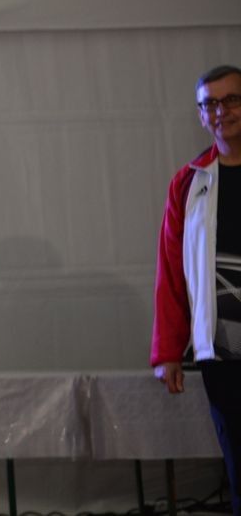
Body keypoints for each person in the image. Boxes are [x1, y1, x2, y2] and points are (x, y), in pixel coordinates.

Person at [152, 64, 241, 514]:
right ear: (202, 115)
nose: (221, 111)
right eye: (211, 104)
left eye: (231, 100)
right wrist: (169, 350)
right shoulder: (189, 182)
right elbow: (171, 272)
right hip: (222, 353)